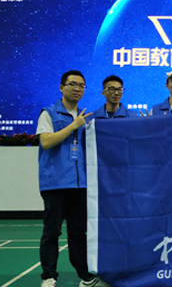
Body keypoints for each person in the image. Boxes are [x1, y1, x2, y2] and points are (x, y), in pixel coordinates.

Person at [35, 70, 110, 287]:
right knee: (52, 232)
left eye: (81, 86)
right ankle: (49, 276)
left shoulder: (87, 118)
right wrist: (73, 126)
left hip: (81, 185)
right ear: (62, 88)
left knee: (78, 233)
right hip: (55, 184)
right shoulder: (49, 113)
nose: (77, 89)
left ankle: (85, 276)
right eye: (73, 84)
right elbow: (46, 142)